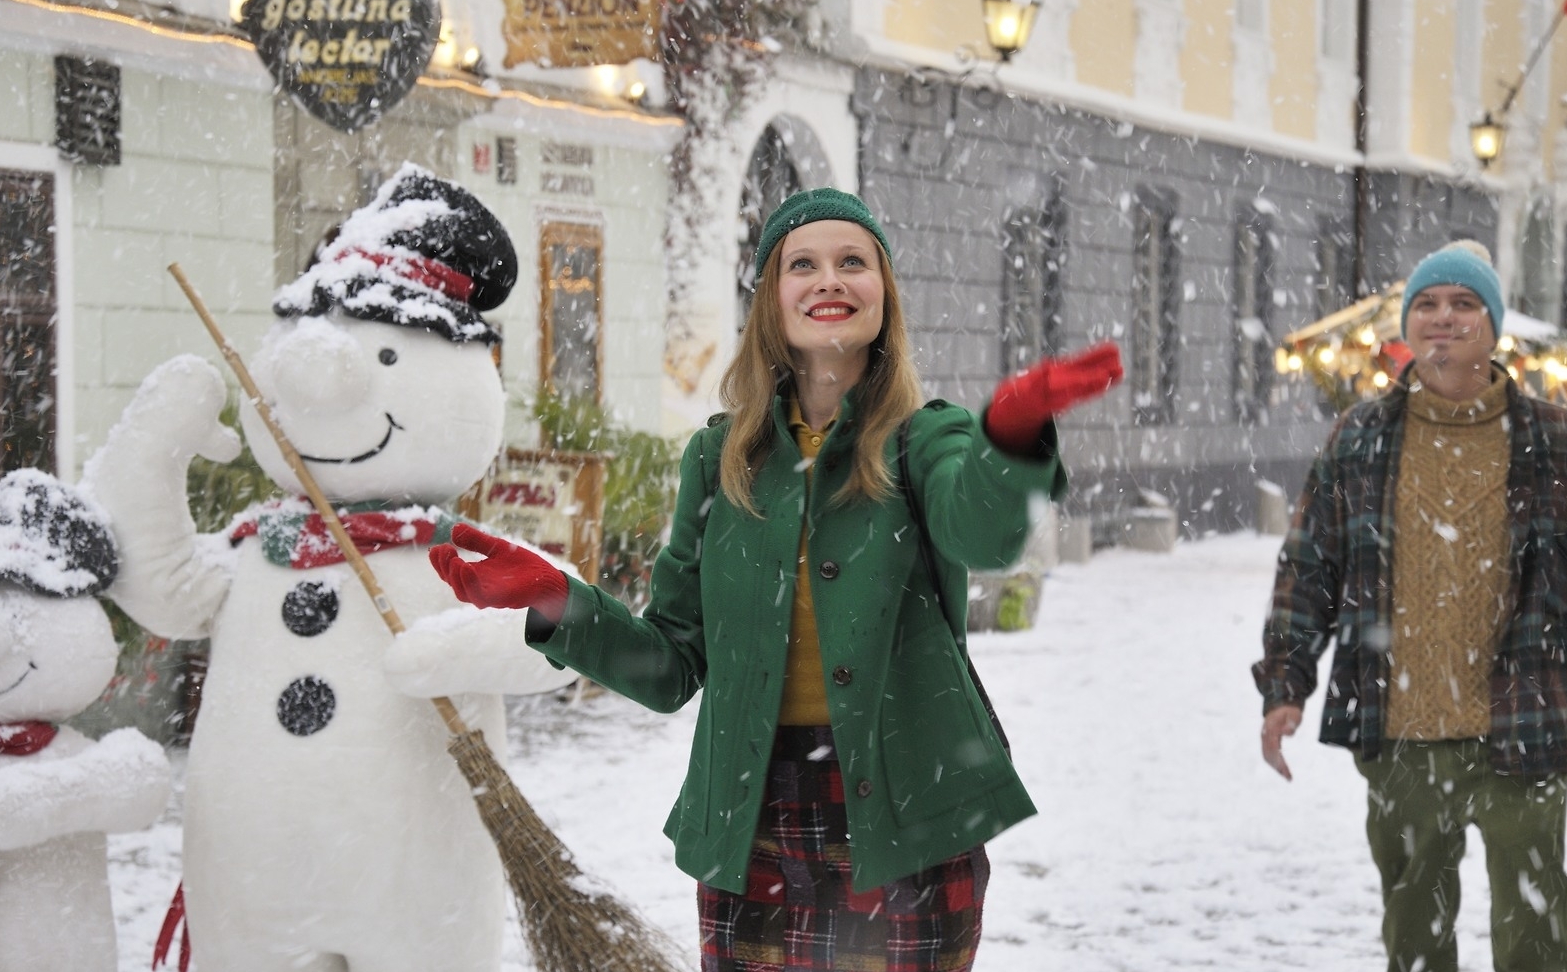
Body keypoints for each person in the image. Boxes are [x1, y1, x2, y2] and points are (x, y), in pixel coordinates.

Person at [427, 187, 1122, 970]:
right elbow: (672, 660)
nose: (830, 279)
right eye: (804, 264)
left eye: (853, 262)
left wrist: (1010, 433)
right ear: (771, 301)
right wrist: (557, 600)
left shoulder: (925, 439)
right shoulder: (718, 459)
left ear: (883, 296)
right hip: (753, 814)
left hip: (905, 807)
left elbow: (984, 533)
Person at [1254, 240, 1567, 972]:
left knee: (1538, 934)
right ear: (1407, 326)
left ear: (1491, 325)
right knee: (1413, 935)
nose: (1443, 318)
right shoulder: (1361, 438)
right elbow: (1309, 567)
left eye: (1463, 304)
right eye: (1427, 304)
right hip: (1401, 732)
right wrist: (1286, 683)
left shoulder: (1558, 441)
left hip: (1523, 726)